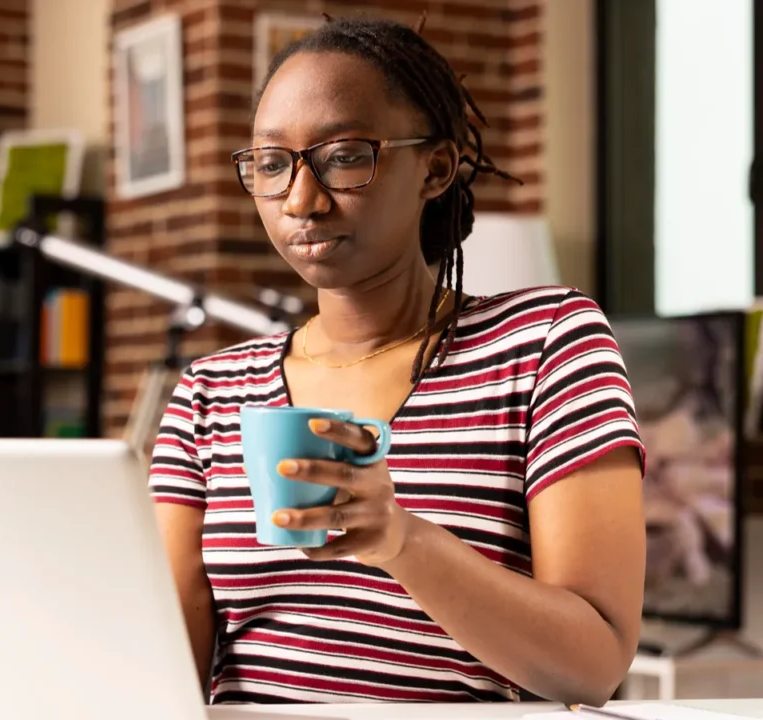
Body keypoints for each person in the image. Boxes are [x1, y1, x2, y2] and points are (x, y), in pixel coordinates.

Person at [148, 13, 646, 707]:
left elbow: (594, 664)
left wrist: (402, 539)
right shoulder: (210, 393)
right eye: (271, 163)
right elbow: (157, 670)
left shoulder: (543, 345)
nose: (302, 199)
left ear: (435, 168)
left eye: (345, 156)